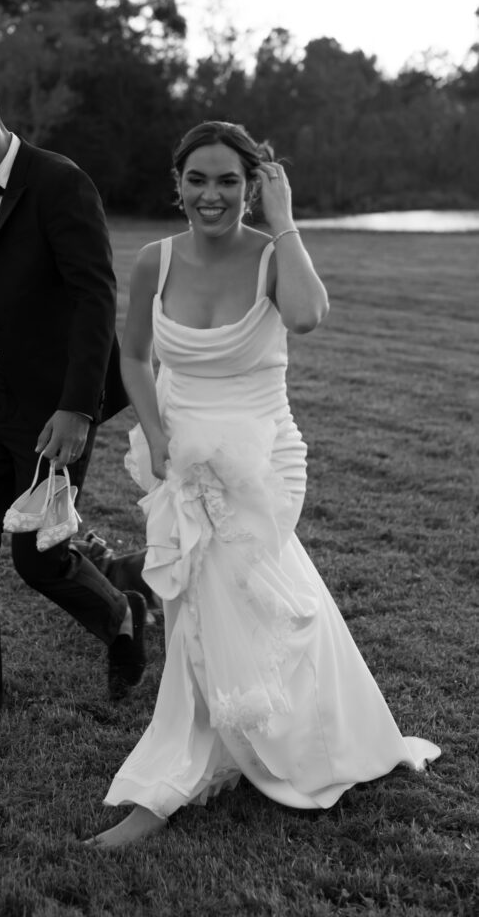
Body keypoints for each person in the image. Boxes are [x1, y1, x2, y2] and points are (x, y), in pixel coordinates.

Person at [85, 121, 440, 846]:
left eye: (227, 181)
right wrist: (154, 433)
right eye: (196, 179)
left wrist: (283, 224)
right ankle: (207, 759)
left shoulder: (271, 255)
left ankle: (189, 777)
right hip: (182, 451)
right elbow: (132, 358)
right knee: (202, 606)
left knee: (253, 602)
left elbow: (308, 317)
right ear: (176, 184)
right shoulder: (154, 260)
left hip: (261, 458)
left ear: (251, 186)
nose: (210, 195)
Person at [0, 66, 147, 733]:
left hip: (50, 406)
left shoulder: (59, 183)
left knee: (38, 558)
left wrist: (78, 406)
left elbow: (96, 297)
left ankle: (120, 613)